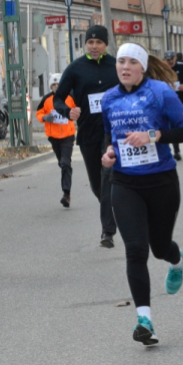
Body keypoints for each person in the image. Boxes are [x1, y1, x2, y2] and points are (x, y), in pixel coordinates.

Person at [100, 43, 183, 346]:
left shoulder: (161, 93)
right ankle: (145, 321)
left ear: (142, 67)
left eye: (131, 62)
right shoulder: (109, 98)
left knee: (159, 247)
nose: (124, 67)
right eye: (120, 62)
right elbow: (111, 135)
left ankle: (176, 259)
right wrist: (109, 152)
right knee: (136, 250)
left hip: (162, 182)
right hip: (125, 183)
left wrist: (153, 135)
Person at [54, 25, 120, 248]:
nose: (93, 47)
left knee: (107, 175)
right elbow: (58, 99)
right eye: (90, 43)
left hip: (113, 132)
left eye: (98, 43)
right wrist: (67, 111)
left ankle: (107, 232)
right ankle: (113, 211)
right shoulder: (75, 68)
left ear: (105, 44)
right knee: (97, 184)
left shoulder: (117, 66)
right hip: (88, 133)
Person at [37, 73, 76, 207]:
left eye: (58, 84)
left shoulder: (70, 97)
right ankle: (67, 170)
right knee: (62, 162)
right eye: (53, 85)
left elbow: (78, 108)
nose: (55, 87)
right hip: (53, 137)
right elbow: (39, 113)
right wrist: (45, 117)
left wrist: (75, 114)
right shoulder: (47, 99)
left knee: (65, 162)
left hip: (68, 135)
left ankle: (66, 194)